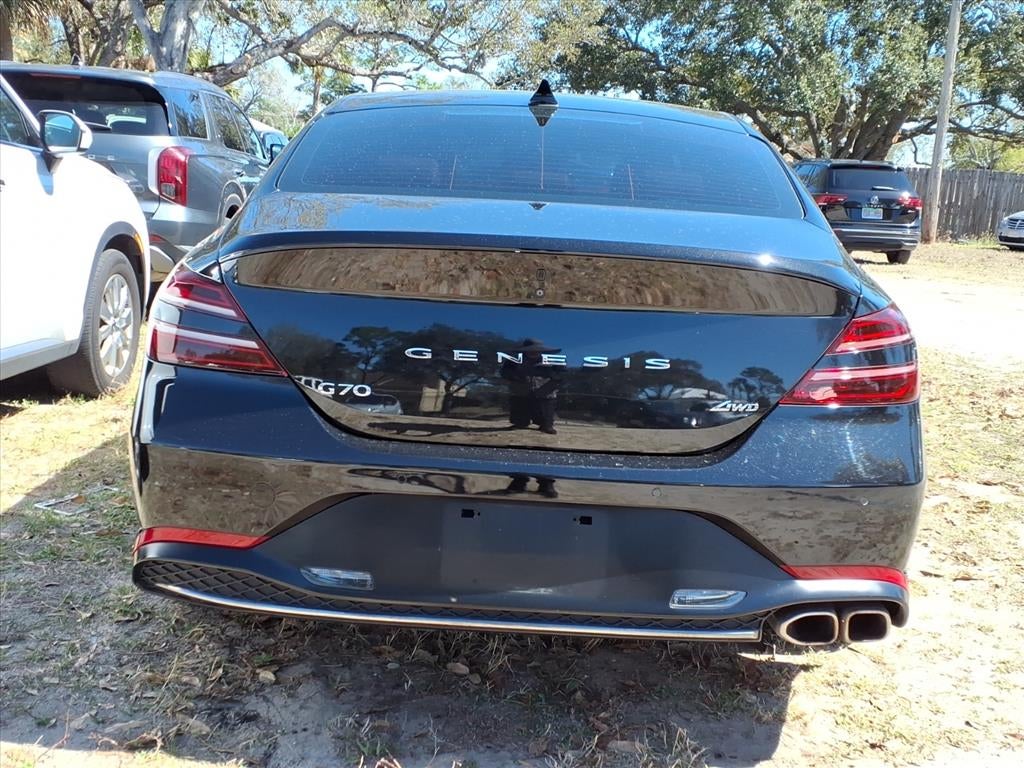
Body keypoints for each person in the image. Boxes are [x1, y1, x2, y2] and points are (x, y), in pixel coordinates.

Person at [499, 338, 561, 434]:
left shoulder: (551, 361)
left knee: (546, 411)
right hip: (521, 391)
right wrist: (516, 377)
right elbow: (504, 372)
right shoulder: (513, 360)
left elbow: (561, 375)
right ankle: (520, 423)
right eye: (531, 350)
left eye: (537, 350)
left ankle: (546, 425)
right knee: (519, 408)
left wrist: (553, 378)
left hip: (545, 392)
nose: (534, 352)